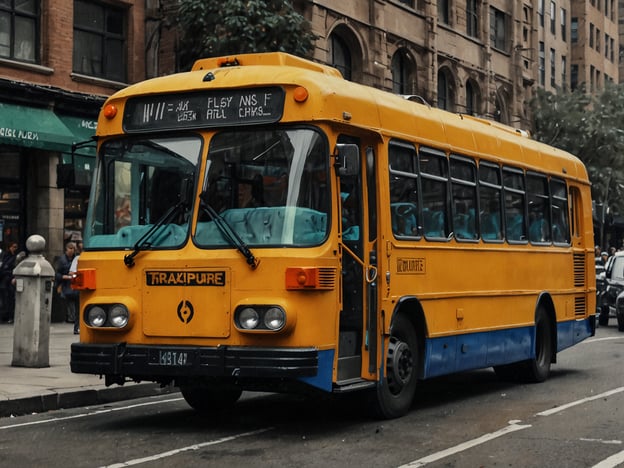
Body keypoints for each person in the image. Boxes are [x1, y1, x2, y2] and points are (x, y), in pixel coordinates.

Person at [55, 241, 80, 333]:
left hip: (75, 285)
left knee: (76, 306)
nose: (71, 250)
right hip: (66, 285)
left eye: (73, 249)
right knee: (70, 304)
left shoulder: (76, 258)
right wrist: (63, 277)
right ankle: (70, 318)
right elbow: (57, 274)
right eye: (70, 248)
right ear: (66, 250)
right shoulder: (61, 260)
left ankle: (76, 325)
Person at [0, 242, 18, 323]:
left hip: (9, 279)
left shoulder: (14, 257)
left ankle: (9, 316)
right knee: (6, 298)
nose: (15, 248)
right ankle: (6, 315)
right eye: (13, 247)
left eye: (16, 247)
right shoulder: (6, 256)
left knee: (10, 298)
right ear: (10, 247)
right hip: (6, 279)